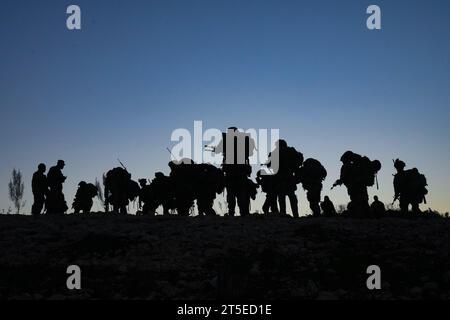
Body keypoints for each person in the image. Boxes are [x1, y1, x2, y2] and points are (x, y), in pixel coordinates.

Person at [212, 127, 256, 216]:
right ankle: (243, 213)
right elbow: (250, 153)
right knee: (241, 193)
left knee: (231, 193)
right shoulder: (243, 139)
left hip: (230, 171)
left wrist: (216, 149)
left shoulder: (226, 140)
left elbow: (218, 150)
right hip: (242, 171)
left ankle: (231, 212)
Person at [332, 151, 381, 217]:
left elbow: (370, 183)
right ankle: (356, 213)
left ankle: (359, 213)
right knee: (358, 201)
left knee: (362, 202)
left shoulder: (366, 166)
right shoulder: (363, 162)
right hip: (355, 185)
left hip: (357, 186)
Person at [267, 140, 303, 217]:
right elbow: (297, 165)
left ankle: (283, 215)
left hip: (279, 179)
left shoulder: (275, 153)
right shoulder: (292, 152)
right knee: (292, 196)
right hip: (290, 177)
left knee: (281, 197)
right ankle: (296, 215)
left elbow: (269, 166)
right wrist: (297, 177)